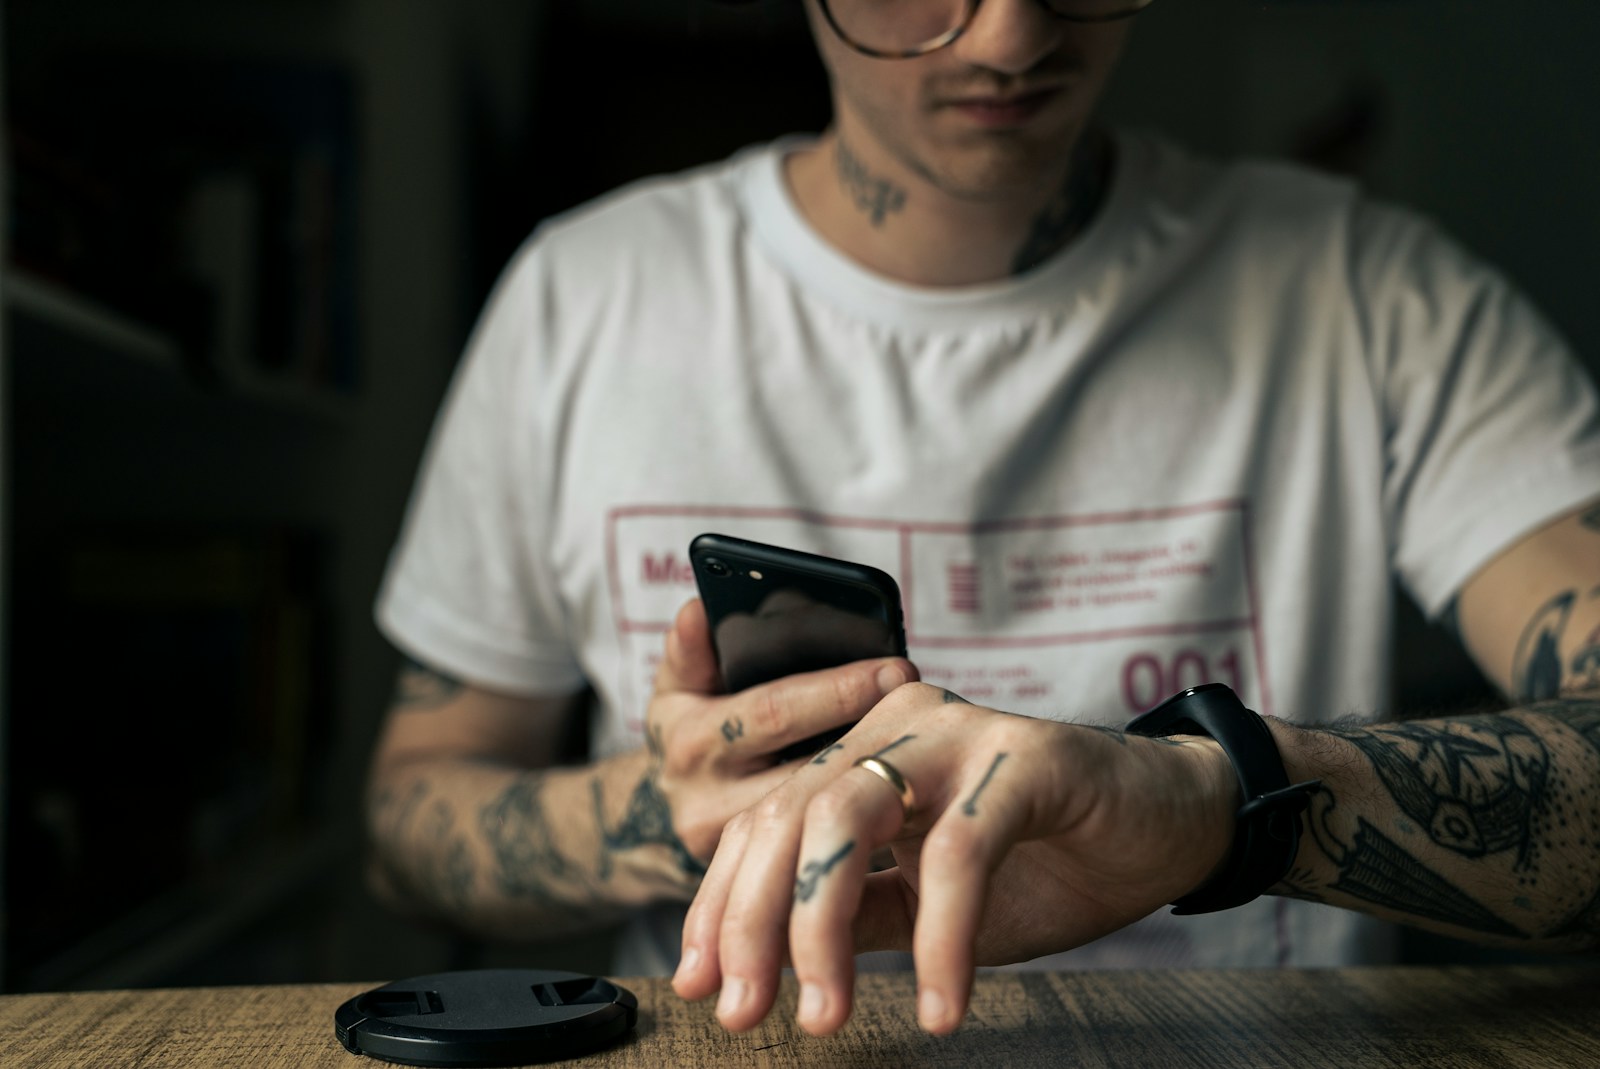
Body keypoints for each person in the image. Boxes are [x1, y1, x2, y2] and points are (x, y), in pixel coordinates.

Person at [364, 0, 1600, 1037]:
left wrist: (1216, 804)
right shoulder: (583, 299)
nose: (1009, 36)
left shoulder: (1373, 298)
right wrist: (657, 814)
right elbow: (409, 820)